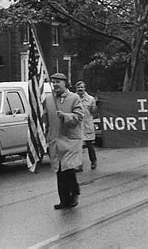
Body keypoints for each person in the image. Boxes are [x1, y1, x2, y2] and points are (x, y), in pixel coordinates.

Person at [45, 73, 84, 210]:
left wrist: (66, 116)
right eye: (53, 82)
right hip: (55, 139)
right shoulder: (49, 99)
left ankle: (74, 193)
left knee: (68, 168)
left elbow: (79, 117)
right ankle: (64, 200)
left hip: (70, 139)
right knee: (59, 170)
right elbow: (46, 119)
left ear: (65, 83)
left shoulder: (74, 98)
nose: (55, 85)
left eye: (58, 82)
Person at [75, 81, 98, 171]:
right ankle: (79, 165)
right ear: (76, 88)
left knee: (90, 145)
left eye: (82, 87)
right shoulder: (73, 98)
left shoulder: (90, 99)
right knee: (78, 147)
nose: (80, 89)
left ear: (85, 88)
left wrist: (95, 106)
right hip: (77, 126)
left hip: (87, 125)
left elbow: (94, 112)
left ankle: (93, 161)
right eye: (78, 87)